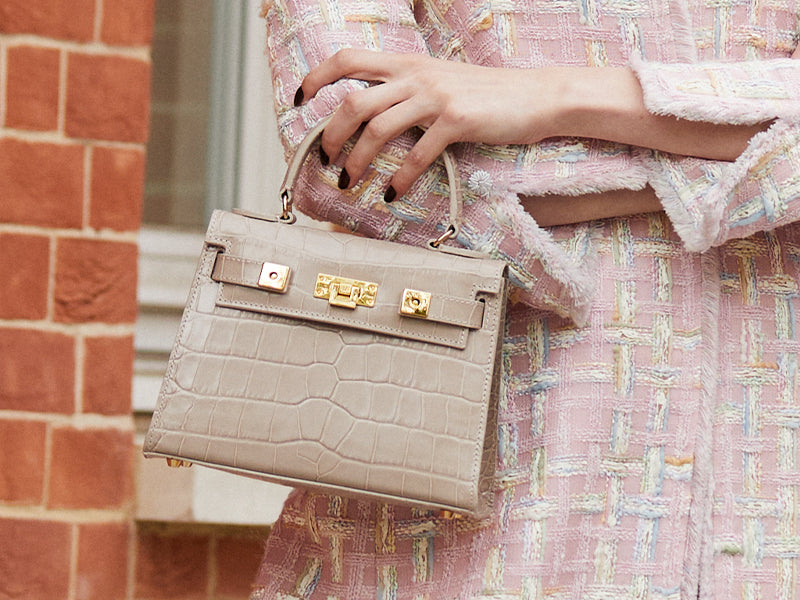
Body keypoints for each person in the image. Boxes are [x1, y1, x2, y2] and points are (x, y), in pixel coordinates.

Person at [251, 0, 800, 598]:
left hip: (764, 493)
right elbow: (346, 153)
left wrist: (548, 98)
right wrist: (744, 155)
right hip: (481, 497)